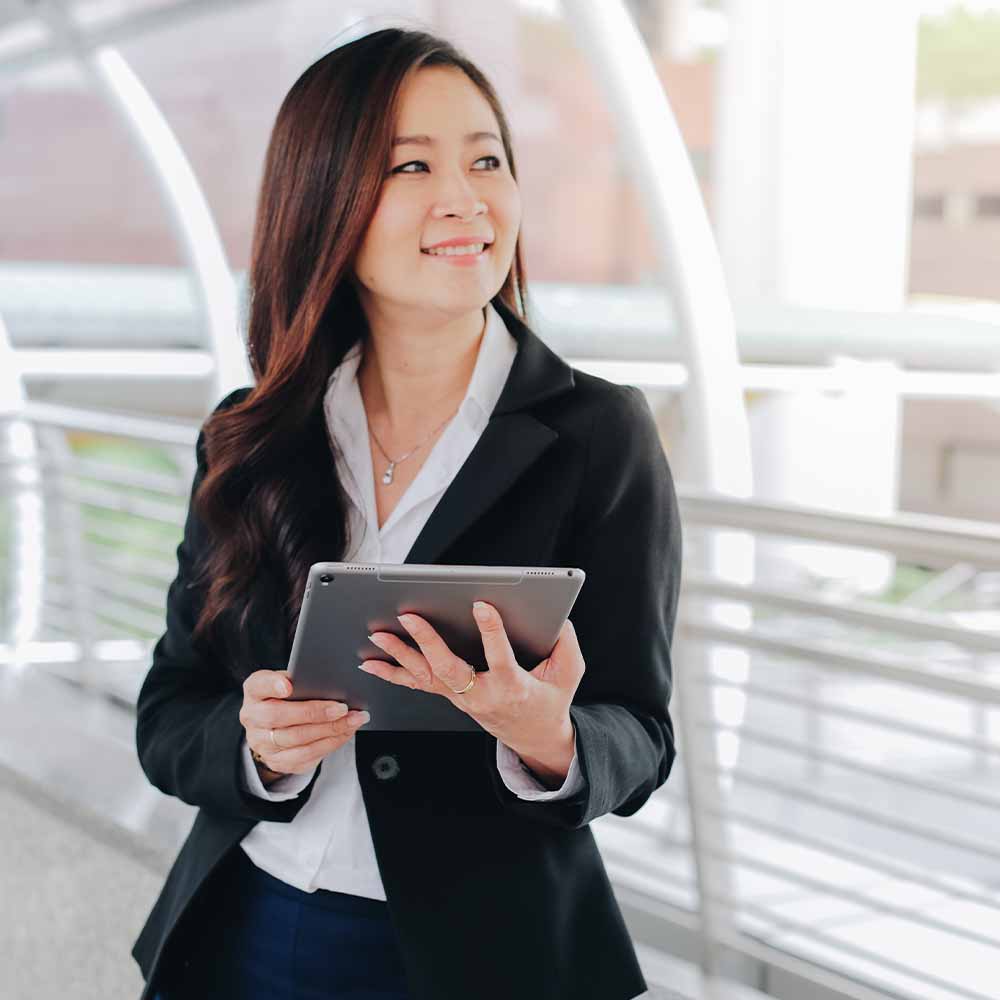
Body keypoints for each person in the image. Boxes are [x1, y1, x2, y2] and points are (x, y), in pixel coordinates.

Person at [131, 25, 682, 1000]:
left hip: (481, 959)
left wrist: (547, 737)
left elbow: (639, 731)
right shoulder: (253, 435)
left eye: (486, 160)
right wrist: (255, 749)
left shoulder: (599, 434)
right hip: (245, 925)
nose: (464, 197)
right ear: (325, 203)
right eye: (411, 166)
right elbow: (171, 711)